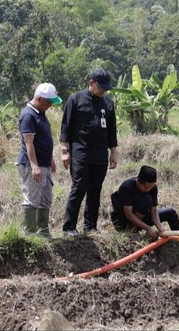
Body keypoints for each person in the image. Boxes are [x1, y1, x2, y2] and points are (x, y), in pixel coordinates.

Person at [60, 67, 118, 237]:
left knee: (95, 190)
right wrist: (65, 152)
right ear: (91, 83)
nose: (104, 91)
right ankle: (69, 227)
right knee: (79, 188)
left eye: (106, 88)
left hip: (100, 155)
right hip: (80, 153)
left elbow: (111, 130)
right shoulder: (75, 99)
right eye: (101, 87)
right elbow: (66, 128)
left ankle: (90, 227)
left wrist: (113, 152)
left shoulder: (108, 103)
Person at [16, 83, 62, 238]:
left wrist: (51, 159)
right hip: (31, 165)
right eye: (49, 101)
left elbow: (44, 140)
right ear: (40, 98)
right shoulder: (29, 115)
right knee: (32, 199)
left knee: (45, 198)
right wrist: (34, 166)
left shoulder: (41, 112)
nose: (50, 105)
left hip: (44, 164)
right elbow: (29, 143)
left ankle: (43, 233)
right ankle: (29, 234)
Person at [110, 165, 179, 239]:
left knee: (171, 212)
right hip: (123, 221)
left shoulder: (152, 188)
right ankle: (131, 230)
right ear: (138, 181)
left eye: (151, 187)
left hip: (141, 218)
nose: (148, 190)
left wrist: (160, 228)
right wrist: (148, 228)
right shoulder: (127, 187)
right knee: (146, 199)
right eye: (146, 187)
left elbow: (154, 211)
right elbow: (129, 215)